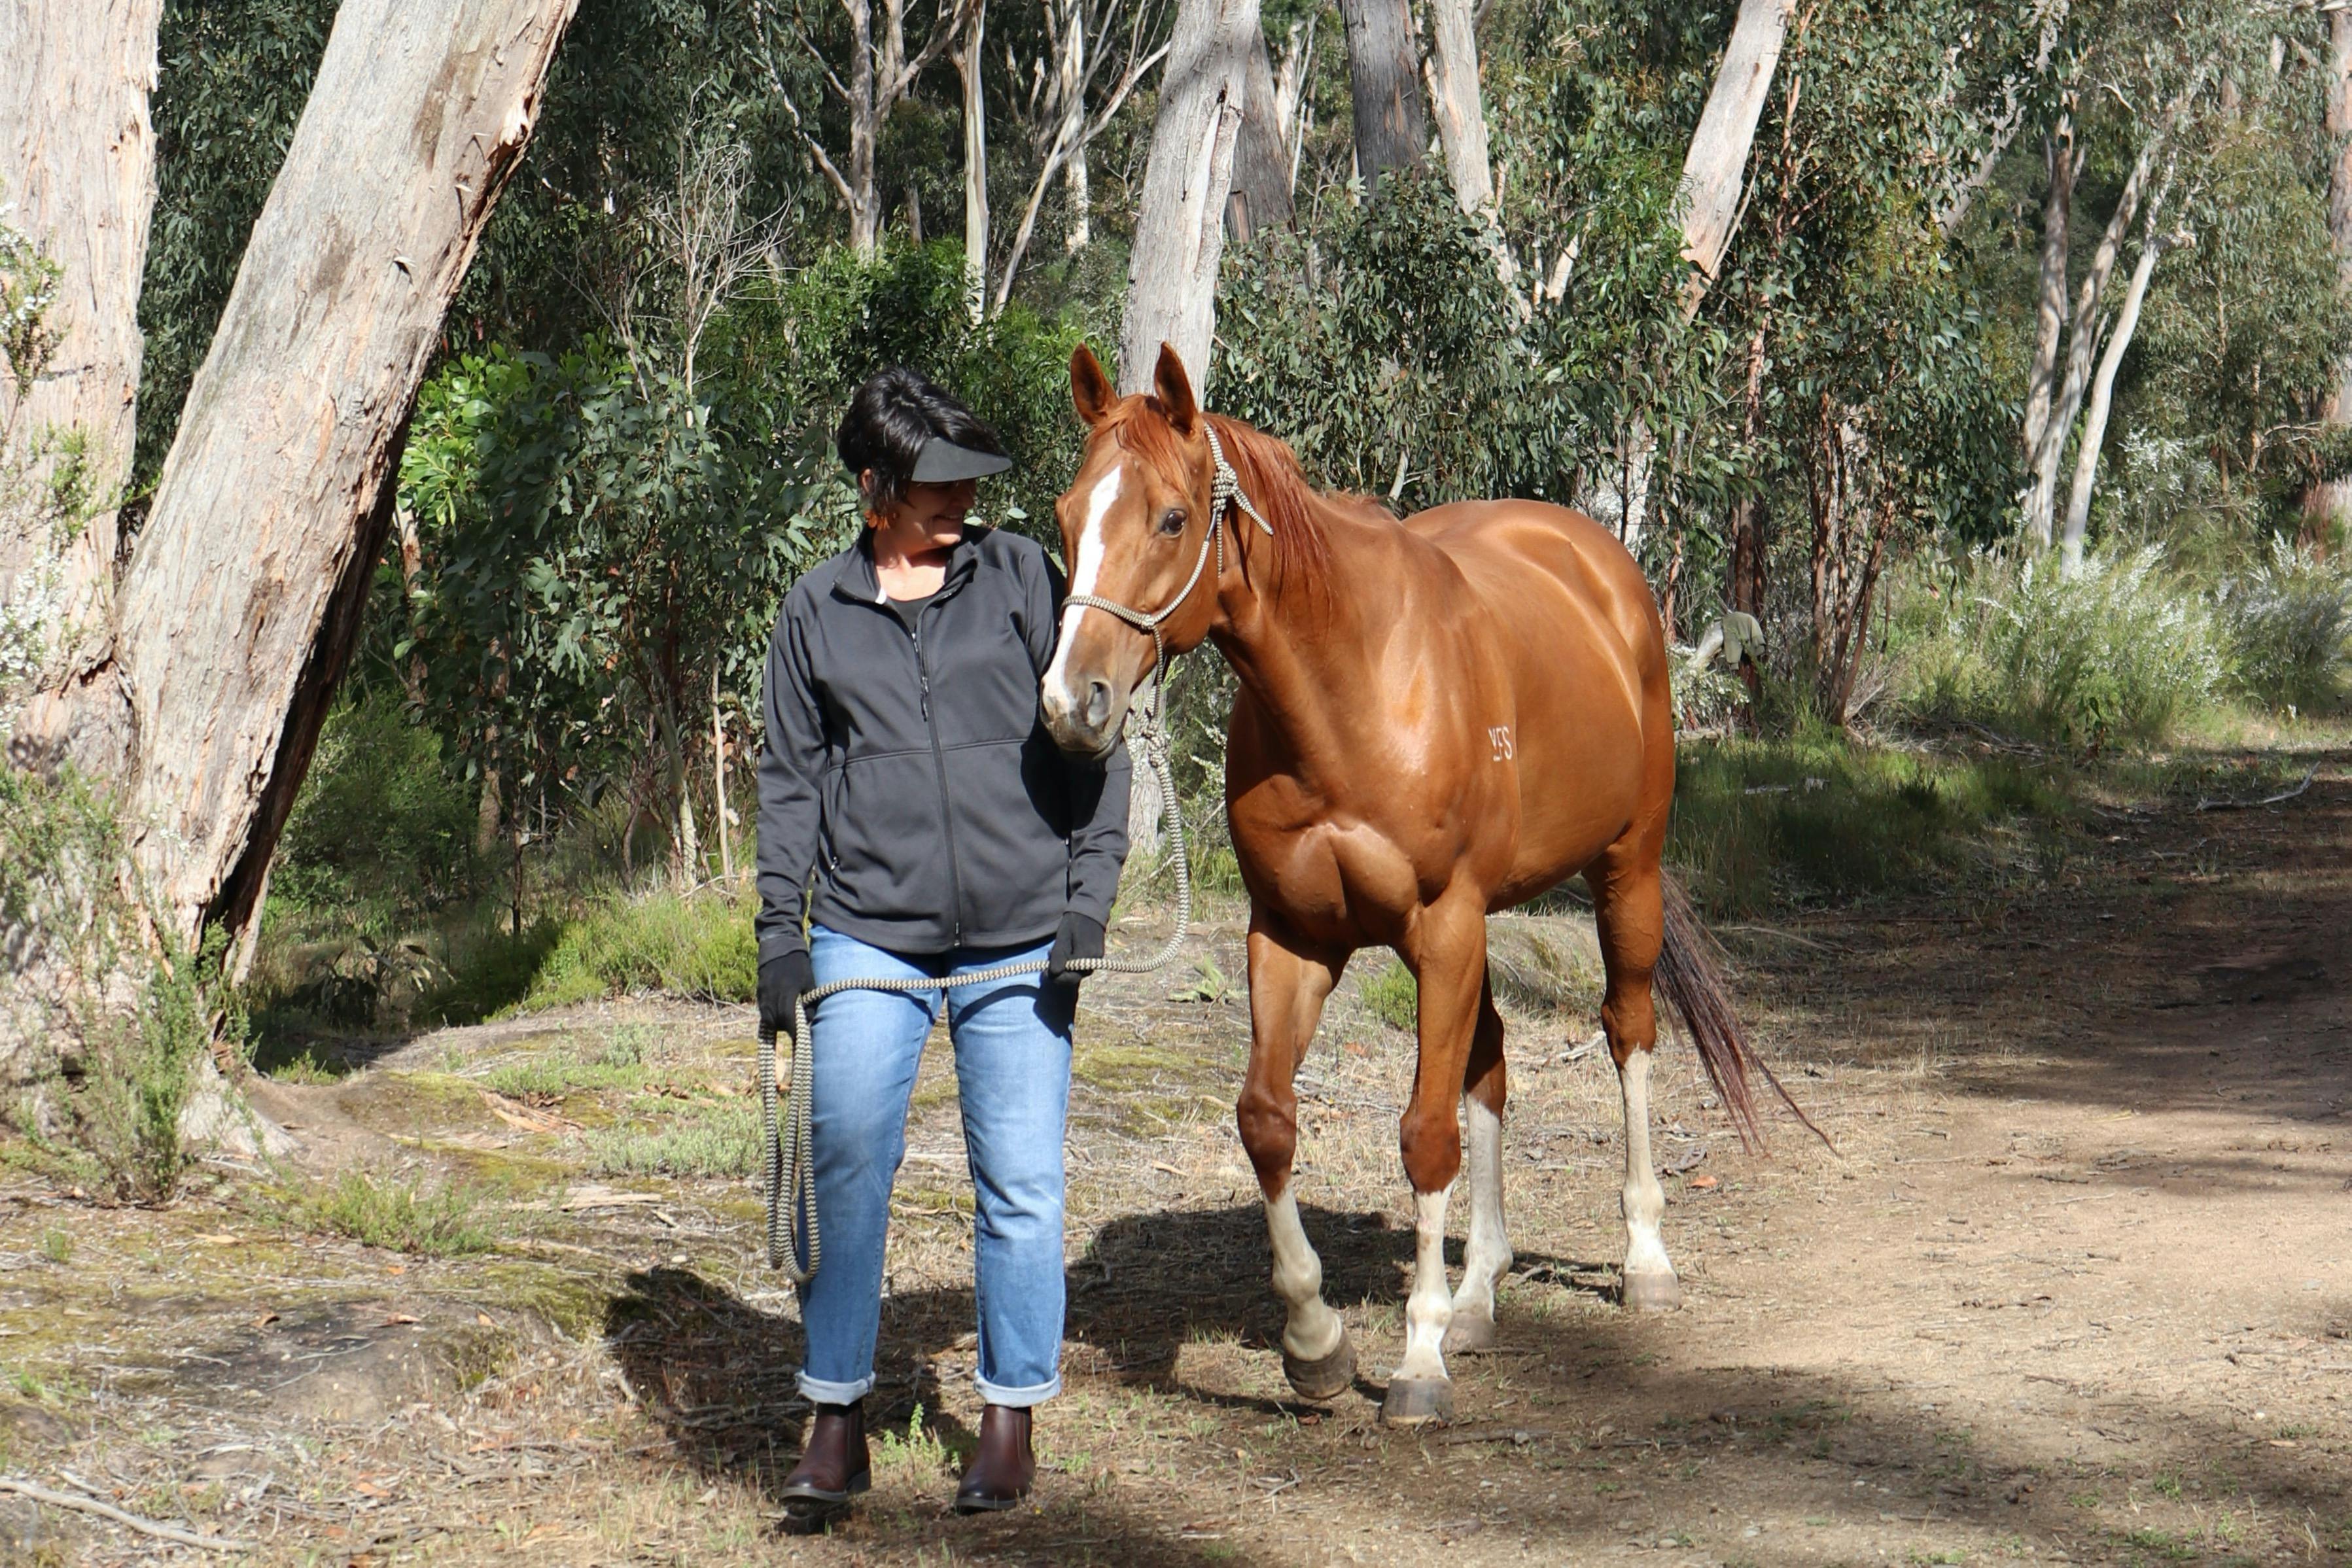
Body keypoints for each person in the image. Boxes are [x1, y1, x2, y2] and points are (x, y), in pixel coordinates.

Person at [755, 366, 1130, 1529]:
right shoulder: (816, 612)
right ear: (874, 491)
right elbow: (791, 786)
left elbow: (1096, 734)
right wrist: (780, 935)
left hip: (1023, 938)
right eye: (934, 486)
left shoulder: (1021, 575)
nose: (960, 500)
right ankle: (837, 1418)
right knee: (846, 1163)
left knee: (1019, 1181)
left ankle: (1010, 1418)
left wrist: (1088, 900)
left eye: (969, 479)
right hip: (868, 935)